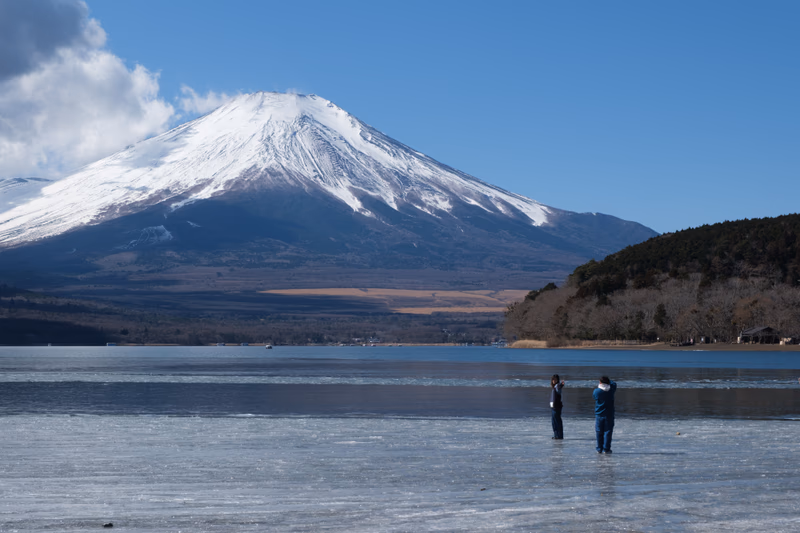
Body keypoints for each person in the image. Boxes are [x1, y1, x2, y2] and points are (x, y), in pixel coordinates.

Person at [593, 376, 616, 453]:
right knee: (608, 432)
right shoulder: (611, 390)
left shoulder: (597, 391)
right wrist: (609, 381)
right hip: (609, 414)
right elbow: (614, 383)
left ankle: (599, 448)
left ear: (600, 382)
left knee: (599, 432)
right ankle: (606, 449)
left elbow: (594, 397)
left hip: (599, 414)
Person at [550, 374, 565, 439]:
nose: (553, 380)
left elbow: (559, 388)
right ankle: (556, 435)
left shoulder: (557, 386)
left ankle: (559, 435)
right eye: (553, 379)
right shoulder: (555, 387)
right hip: (554, 407)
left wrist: (561, 385)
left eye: (554, 379)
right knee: (554, 421)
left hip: (556, 407)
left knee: (556, 421)